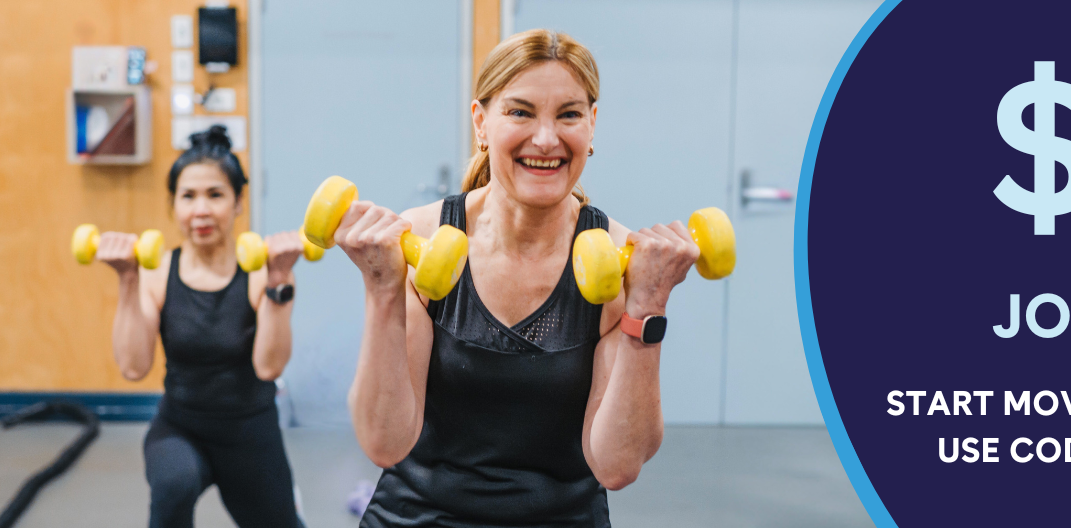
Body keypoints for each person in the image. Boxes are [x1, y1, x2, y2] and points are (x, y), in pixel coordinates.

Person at [338, 29, 701, 527]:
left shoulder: (620, 260)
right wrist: (382, 289)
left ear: (592, 125)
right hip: (418, 516)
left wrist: (648, 306)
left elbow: (616, 466)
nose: (546, 139)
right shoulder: (421, 240)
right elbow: (384, 441)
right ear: (480, 122)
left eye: (569, 114)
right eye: (520, 111)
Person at [98, 125, 305, 528]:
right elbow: (133, 367)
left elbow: (269, 368)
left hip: (250, 431)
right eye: (188, 196)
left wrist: (280, 279)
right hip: (180, 428)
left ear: (239, 202)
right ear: (173, 204)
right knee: (174, 486)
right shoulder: (157, 274)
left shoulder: (265, 274)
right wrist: (128, 278)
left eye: (215, 195)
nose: (201, 210)